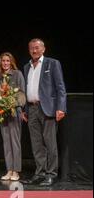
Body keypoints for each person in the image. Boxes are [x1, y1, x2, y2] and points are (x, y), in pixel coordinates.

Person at [22, 38, 67, 186]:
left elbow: (60, 87)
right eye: (31, 48)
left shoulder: (52, 63)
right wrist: (25, 110)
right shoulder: (26, 67)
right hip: (32, 108)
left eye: (37, 48)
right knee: (36, 144)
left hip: (47, 108)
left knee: (50, 143)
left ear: (43, 49)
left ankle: (51, 174)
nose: (34, 51)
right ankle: (40, 173)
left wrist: (61, 108)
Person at [0, 52, 26, 181]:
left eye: (8, 61)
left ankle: (16, 171)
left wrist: (13, 103)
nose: (5, 63)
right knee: (6, 142)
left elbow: (22, 93)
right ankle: (9, 169)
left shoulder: (17, 74)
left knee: (15, 142)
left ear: (11, 62)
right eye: (3, 61)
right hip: (3, 112)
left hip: (15, 111)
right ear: (0, 63)